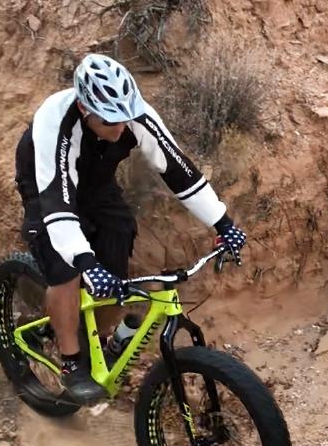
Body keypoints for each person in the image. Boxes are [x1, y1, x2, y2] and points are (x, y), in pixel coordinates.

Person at [14, 54, 246, 404]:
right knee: (66, 268)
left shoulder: (134, 114)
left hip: (96, 184)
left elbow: (179, 171)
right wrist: (84, 262)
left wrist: (223, 222)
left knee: (116, 255)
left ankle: (99, 338)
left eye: (126, 117)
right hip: (45, 185)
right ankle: (71, 361)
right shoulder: (55, 121)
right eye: (111, 121)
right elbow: (58, 207)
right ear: (84, 108)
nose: (121, 128)